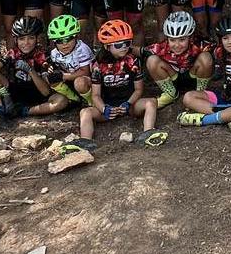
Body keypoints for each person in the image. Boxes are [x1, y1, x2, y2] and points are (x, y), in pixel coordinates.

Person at [69, 19, 166, 150]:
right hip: (108, 106)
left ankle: (148, 132)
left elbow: (138, 89)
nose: (125, 47)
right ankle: (86, 141)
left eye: (127, 43)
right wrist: (104, 109)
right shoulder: (98, 65)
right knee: (85, 112)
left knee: (151, 102)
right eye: (119, 45)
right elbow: (96, 95)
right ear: (106, 46)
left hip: (129, 104)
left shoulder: (133, 61)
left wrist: (128, 104)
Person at [0, 16, 71, 128]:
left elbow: (46, 92)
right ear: (16, 40)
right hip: (14, 93)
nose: (26, 43)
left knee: (62, 101)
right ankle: (0, 113)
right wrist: (4, 93)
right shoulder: (13, 54)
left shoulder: (44, 56)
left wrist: (30, 70)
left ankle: (23, 111)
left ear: (37, 38)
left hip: (38, 95)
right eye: (22, 39)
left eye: (31, 38)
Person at [179, 15, 231, 132]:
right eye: (225, 38)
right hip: (225, 96)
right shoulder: (218, 52)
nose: (230, 42)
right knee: (188, 97)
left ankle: (204, 120)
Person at [146, 11, 214, 108]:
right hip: (173, 78)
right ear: (167, 39)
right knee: (151, 60)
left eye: (182, 39)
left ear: (190, 37)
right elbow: (140, 51)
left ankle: (200, 93)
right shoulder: (161, 47)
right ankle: (170, 94)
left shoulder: (201, 44)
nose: (177, 45)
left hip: (193, 77)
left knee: (206, 58)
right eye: (172, 40)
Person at [42, 13, 94, 109]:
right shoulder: (54, 53)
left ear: (76, 37)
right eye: (59, 41)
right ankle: (74, 100)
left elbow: (85, 72)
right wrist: (51, 69)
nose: (64, 44)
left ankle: (91, 102)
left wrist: (63, 76)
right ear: (54, 42)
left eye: (69, 39)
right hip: (69, 78)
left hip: (85, 79)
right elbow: (57, 68)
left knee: (79, 83)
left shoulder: (82, 49)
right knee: (49, 78)